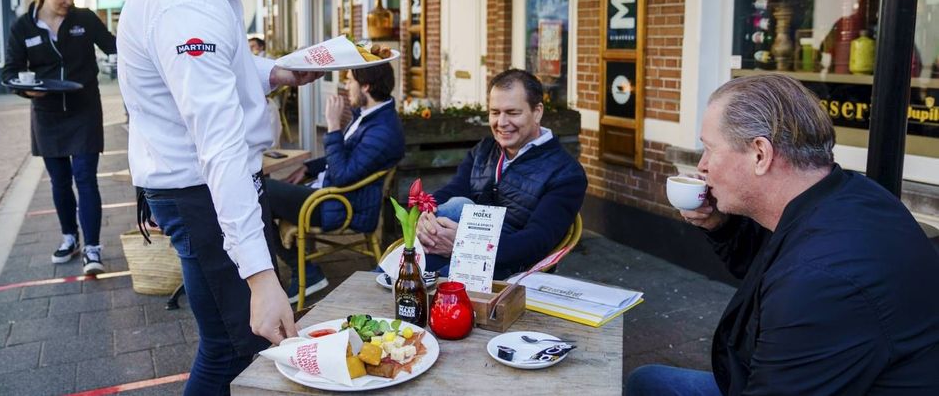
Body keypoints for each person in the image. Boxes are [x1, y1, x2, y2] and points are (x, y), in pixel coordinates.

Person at [117, 0, 319, 396]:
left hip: (203, 187)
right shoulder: (189, 2)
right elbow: (221, 147)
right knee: (235, 346)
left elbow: (222, 65)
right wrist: (260, 279)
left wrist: (275, 72)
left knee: (229, 343)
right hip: (198, 189)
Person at [627, 74, 939, 396]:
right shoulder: (845, 193)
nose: (702, 166)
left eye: (709, 149)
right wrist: (721, 224)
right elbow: (771, 259)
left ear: (760, 154)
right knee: (646, 382)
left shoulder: (823, 280)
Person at [2, 0, 117, 275]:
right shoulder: (23, 27)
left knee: (85, 176)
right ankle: (70, 237)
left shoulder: (84, 19)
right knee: (60, 181)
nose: (69, 2)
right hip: (47, 113)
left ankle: (92, 247)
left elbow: (114, 46)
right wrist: (27, 92)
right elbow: (10, 71)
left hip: (84, 109)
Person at [416, 69, 586, 279]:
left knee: (418, 280)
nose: (501, 122)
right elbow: (453, 190)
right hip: (461, 249)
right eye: (495, 112)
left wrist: (466, 247)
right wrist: (425, 217)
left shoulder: (566, 173)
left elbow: (536, 241)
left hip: (513, 270)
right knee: (453, 207)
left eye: (512, 112)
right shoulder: (485, 150)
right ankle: (386, 288)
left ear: (537, 112)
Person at [266, 63, 405, 303]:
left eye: (349, 80)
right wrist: (308, 167)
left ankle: (304, 272)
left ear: (366, 86)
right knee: (258, 189)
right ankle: (300, 270)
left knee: (261, 191)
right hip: (327, 194)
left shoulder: (383, 131)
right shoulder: (370, 115)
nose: (345, 86)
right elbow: (345, 156)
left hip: (339, 205)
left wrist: (332, 126)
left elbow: (342, 175)